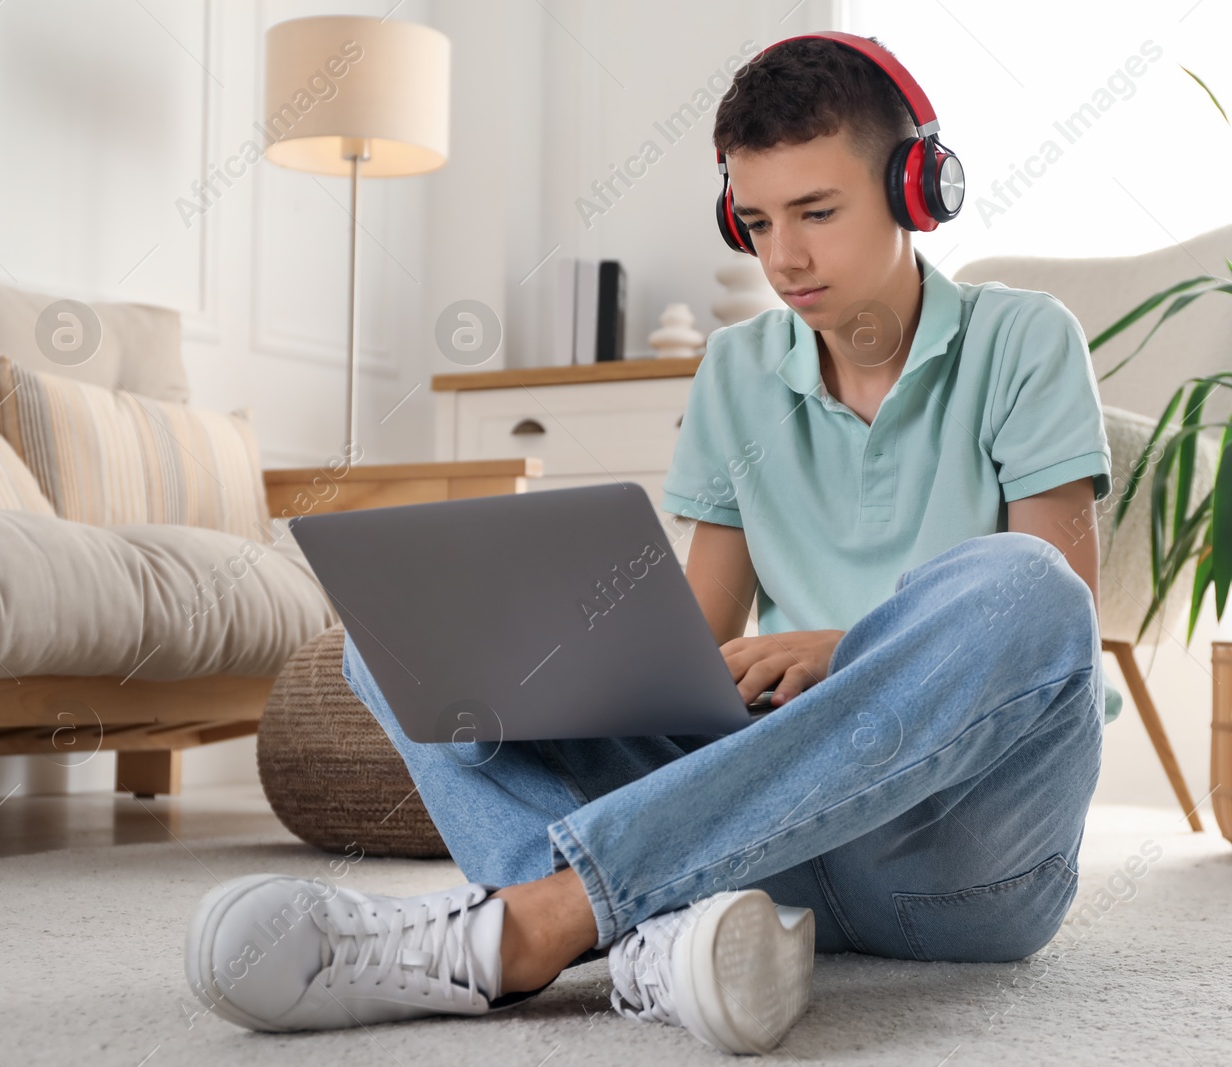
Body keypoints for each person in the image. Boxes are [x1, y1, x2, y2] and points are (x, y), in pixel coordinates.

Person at [183, 31, 1112, 1055]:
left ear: (914, 189)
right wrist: (565, 661)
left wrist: (842, 649)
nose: (783, 257)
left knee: (1025, 586)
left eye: (816, 212)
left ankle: (543, 919)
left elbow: (1056, 617)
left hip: (958, 859)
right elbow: (692, 652)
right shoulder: (735, 369)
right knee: (396, 642)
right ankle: (664, 944)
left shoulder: (1025, 339)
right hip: (754, 840)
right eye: (755, 221)